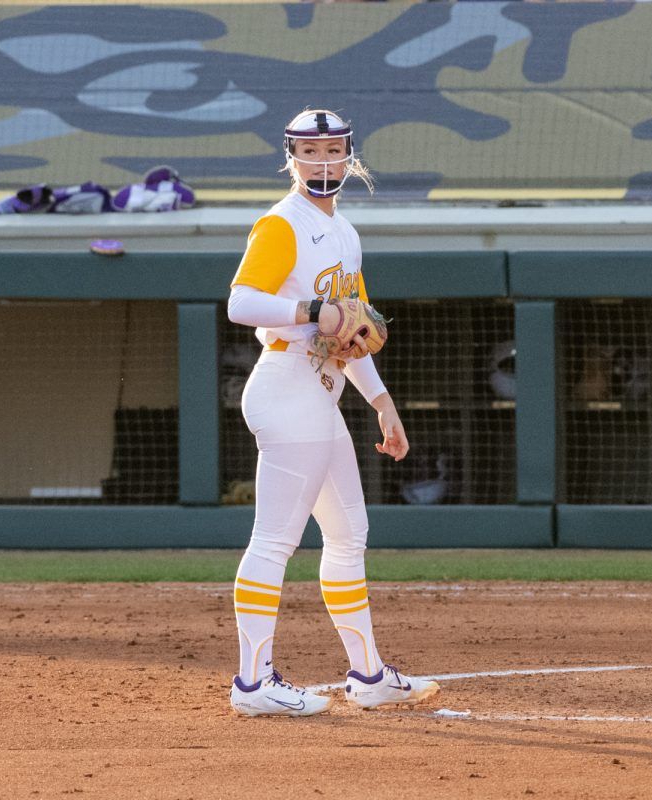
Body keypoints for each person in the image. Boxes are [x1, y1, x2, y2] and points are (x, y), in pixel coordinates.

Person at [225, 109, 440, 717]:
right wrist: (310, 310)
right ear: (290, 158)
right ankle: (252, 684)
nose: (323, 164)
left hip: (320, 392)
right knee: (275, 538)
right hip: (286, 384)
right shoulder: (281, 222)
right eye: (310, 153)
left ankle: (369, 675)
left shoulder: (344, 233)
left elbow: (356, 332)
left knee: (349, 535)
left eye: (333, 151)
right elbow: (241, 301)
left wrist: (381, 400)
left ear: (349, 156)